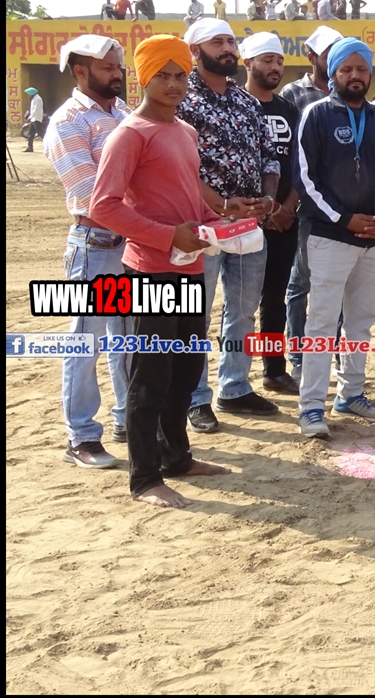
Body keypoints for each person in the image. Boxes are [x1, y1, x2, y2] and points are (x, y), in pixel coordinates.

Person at [90, 34, 231, 507]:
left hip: (190, 269)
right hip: (151, 272)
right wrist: (169, 236)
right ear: (143, 79)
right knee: (150, 374)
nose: (173, 84)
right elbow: (104, 206)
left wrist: (220, 222)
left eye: (180, 75)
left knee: (186, 368)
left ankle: (177, 458)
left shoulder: (185, 131)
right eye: (162, 76)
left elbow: (189, 199)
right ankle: (145, 478)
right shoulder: (129, 134)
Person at [294, 38, 375, 437]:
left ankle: (351, 393)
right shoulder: (316, 115)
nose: (355, 76)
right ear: (333, 74)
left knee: (361, 321)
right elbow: (305, 179)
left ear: (371, 74)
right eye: (346, 69)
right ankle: (311, 407)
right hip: (330, 236)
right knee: (322, 323)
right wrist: (345, 220)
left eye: (362, 69)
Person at [177, 18, 281, 434]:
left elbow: (269, 156)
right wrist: (219, 204)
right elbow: (179, 168)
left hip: (248, 224)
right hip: (201, 225)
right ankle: (194, 396)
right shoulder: (181, 100)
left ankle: (235, 386)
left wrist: (268, 199)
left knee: (242, 309)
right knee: (196, 314)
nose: (227, 49)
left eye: (230, 41)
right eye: (217, 42)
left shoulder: (247, 102)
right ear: (195, 51)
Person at [43, 35, 132, 469]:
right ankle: (80, 436)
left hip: (130, 245)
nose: (117, 74)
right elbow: (91, 195)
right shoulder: (68, 121)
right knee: (85, 343)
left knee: (128, 341)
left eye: (118, 67)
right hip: (95, 247)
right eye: (107, 68)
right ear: (81, 71)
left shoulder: (123, 113)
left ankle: (129, 419)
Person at [278, 24, 343, 380]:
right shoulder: (293, 94)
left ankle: (333, 351)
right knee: (301, 281)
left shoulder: (348, 95)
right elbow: (291, 154)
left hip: (344, 206)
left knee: (338, 282)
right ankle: (299, 353)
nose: (335, 60)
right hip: (306, 206)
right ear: (312, 58)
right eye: (328, 53)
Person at [240, 32, 302, 395]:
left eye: (279, 61)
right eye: (267, 60)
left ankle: (274, 369)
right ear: (248, 63)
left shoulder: (289, 110)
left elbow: (300, 166)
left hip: (285, 219)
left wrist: (286, 207)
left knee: (275, 296)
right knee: (241, 302)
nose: (275, 67)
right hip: (245, 220)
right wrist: (265, 211)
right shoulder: (237, 106)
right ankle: (234, 380)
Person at [23, 86, 44, 152]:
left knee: (40, 133)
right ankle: (30, 147)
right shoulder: (34, 98)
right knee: (30, 134)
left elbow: (35, 110)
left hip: (36, 118)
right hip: (33, 118)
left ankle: (49, 145)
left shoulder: (38, 99)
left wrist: (30, 117)